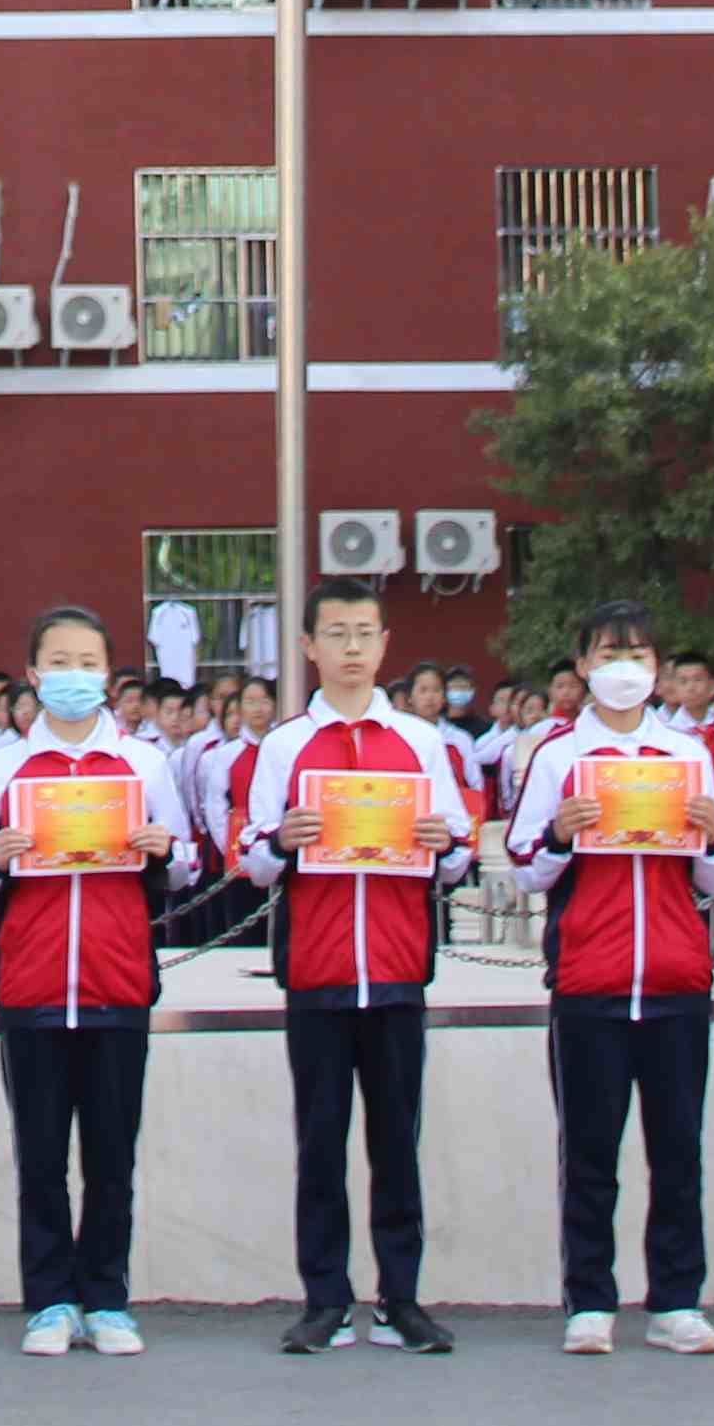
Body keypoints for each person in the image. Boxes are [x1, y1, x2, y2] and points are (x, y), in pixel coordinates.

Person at [0, 603, 199, 1352]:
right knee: (42, 1152)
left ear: (110, 676)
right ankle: (49, 1300)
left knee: (113, 1154)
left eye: (88, 664)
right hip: (33, 981)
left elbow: (185, 864)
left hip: (117, 979)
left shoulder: (143, 762)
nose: (73, 677)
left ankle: (109, 1298)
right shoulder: (5, 765)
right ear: (31, 675)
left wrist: (160, 847)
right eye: (59, 662)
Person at [233, 572, 476, 1354]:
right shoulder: (286, 746)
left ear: (385, 646)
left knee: (397, 1141)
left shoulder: (422, 742)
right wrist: (282, 840)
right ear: (307, 647)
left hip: (400, 966)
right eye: (335, 634)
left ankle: (400, 1298)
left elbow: (458, 853)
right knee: (321, 1137)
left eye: (365, 634)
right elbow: (253, 858)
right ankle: (325, 1298)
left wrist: (447, 846)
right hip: (319, 968)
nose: (351, 649)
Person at [510, 612, 714, 1356]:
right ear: (581, 663)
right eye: (611, 652)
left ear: (658, 664)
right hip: (591, 978)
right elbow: (524, 866)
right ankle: (590, 1300)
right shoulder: (556, 755)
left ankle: (677, 1300)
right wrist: (559, 835)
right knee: (590, 1150)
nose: (625, 664)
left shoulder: (685, 753)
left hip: (674, 975)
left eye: (638, 651)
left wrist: (709, 830)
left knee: (678, 1149)